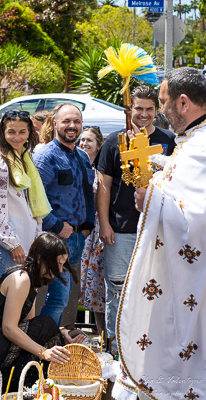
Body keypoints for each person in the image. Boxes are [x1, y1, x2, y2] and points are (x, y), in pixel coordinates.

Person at [117, 68, 206, 399]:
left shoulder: (201, 146)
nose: (162, 110)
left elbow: (197, 216)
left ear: (183, 102)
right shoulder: (191, 143)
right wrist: (158, 170)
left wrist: (149, 197)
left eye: (165, 102)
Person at [95, 85, 176, 346]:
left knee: (152, 290)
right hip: (120, 230)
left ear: (156, 110)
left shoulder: (168, 140)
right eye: (138, 108)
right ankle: (116, 349)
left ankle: (147, 349)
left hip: (156, 230)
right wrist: (105, 223)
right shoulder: (113, 141)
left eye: (149, 109)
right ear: (129, 109)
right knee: (117, 290)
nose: (143, 114)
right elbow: (104, 184)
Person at [0, 232, 74, 399]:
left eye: (62, 264)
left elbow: (30, 325)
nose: (59, 270)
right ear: (40, 258)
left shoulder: (31, 281)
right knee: (46, 324)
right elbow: (9, 328)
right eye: (57, 263)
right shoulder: (21, 279)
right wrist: (43, 352)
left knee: (46, 325)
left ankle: (29, 386)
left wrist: (61, 333)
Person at [33, 103, 95, 327]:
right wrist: (56, 225)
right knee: (58, 298)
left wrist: (88, 225)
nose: (72, 126)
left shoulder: (82, 156)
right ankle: (44, 349)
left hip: (78, 238)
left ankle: (55, 344)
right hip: (57, 239)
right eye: (66, 121)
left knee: (66, 298)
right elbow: (34, 196)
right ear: (55, 123)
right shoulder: (45, 156)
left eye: (77, 122)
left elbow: (88, 192)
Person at [0, 110, 46, 288]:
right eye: (11, 132)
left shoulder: (25, 159)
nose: (16, 137)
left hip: (25, 243)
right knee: (1, 307)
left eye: (22, 132)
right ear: (3, 132)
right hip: (7, 248)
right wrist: (12, 243)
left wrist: (37, 237)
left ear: (29, 133)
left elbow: (31, 204)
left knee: (20, 305)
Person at [78, 127, 106, 334]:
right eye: (82, 140)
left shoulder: (103, 170)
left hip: (99, 229)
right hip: (84, 231)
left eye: (89, 140)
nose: (84, 143)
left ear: (99, 144)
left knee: (99, 283)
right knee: (86, 284)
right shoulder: (78, 165)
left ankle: (104, 334)